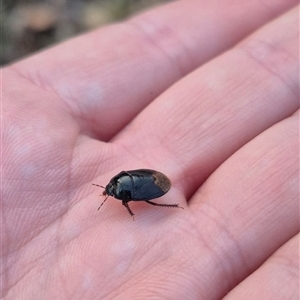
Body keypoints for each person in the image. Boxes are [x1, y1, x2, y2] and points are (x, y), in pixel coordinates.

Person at [2, 1, 299, 299]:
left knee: (154, 204)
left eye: (110, 190)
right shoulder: (122, 185)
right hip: (149, 177)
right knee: (152, 202)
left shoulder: (126, 193)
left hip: (152, 180)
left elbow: (130, 191)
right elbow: (128, 184)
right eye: (111, 190)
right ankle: (169, 207)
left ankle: (168, 207)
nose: (110, 191)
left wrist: (128, 206)